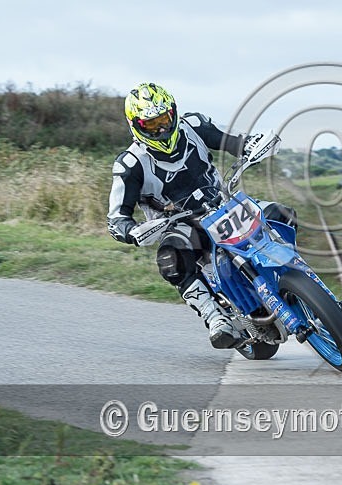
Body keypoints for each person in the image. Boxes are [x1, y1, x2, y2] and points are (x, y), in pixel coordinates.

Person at [107, 82, 297, 349]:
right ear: (135, 126)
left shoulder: (194, 125)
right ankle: (215, 317)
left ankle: (294, 275)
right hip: (179, 224)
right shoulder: (130, 164)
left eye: (163, 120)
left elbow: (233, 141)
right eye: (151, 125)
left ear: (173, 113)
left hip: (223, 204)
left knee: (280, 214)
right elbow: (116, 218)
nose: (161, 129)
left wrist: (253, 145)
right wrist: (132, 230)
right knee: (170, 258)